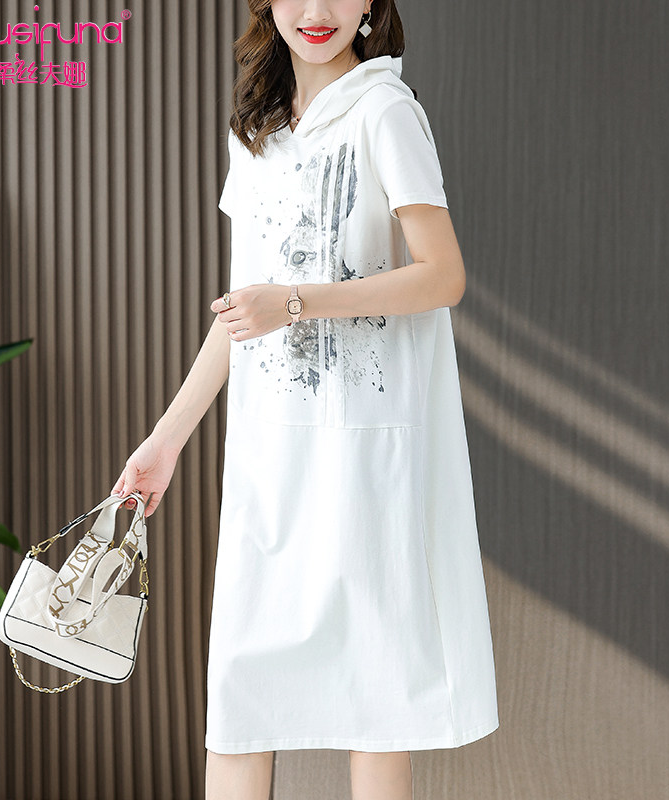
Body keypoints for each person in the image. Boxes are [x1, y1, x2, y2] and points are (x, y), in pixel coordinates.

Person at [112, 0, 499, 798]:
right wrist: (167, 440)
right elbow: (240, 311)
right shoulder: (256, 129)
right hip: (271, 451)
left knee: (379, 701)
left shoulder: (386, 110)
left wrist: (294, 303)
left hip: (366, 453)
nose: (316, 12)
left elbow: (443, 276)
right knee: (242, 703)